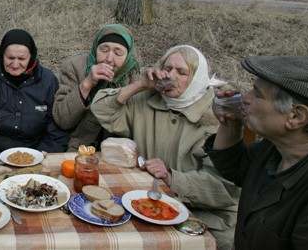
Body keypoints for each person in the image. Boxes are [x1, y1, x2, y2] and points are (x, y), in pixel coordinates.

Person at [91, 45, 239, 249]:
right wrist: (139, 85)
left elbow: (224, 187)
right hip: (149, 201)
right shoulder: (148, 99)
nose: (171, 76)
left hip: (205, 214)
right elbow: (100, 109)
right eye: (167, 68)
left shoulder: (216, 117)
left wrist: (171, 178)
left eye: (182, 72)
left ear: (197, 79)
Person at [204, 56, 308, 249]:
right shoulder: (275, 147)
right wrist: (230, 123)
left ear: (296, 116)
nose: (245, 97)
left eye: (258, 94)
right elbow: (234, 168)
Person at [0, 28, 69, 154]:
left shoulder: (47, 80)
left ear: (32, 57)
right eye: (10, 57)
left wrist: (42, 155)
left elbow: (56, 127)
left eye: (22, 59)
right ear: (2, 55)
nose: (15, 64)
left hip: (33, 153)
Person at [53, 23, 140, 151]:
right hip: (79, 148)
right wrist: (86, 84)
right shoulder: (75, 67)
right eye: (104, 50)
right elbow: (62, 120)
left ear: (128, 56)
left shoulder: (135, 77)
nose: (109, 59)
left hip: (120, 152)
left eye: (118, 53)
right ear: (95, 48)